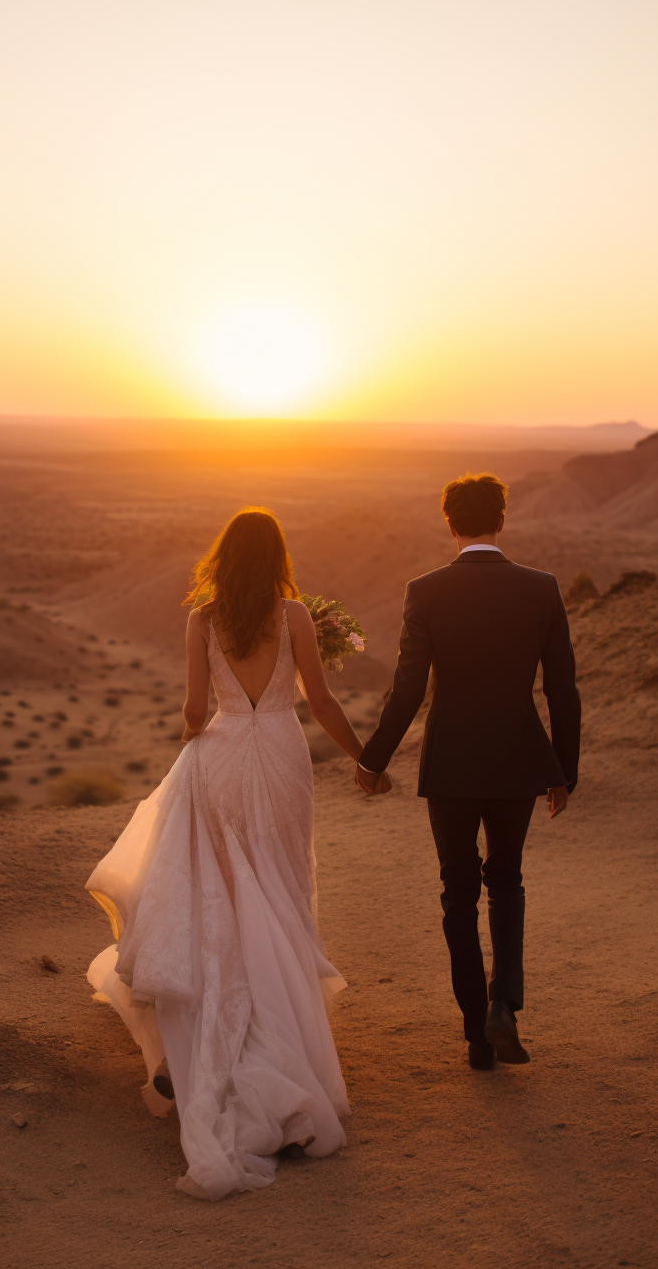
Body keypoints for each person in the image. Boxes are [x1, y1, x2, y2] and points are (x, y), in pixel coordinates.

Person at [85, 507, 370, 1199]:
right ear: (276, 557)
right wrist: (368, 758)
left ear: (223, 558)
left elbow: (190, 709)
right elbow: (322, 703)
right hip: (280, 755)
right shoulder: (296, 615)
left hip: (220, 755)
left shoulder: (201, 620)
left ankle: (223, 1049)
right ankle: (285, 1043)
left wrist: (198, 744)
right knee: (281, 888)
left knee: (227, 893)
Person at [355, 473, 580, 1069]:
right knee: (506, 879)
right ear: (500, 521)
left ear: (450, 524)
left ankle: (477, 1037)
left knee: (458, 893)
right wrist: (563, 771)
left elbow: (407, 690)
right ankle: (503, 1005)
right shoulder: (541, 588)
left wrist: (372, 760)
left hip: (451, 763)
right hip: (517, 762)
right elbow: (562, 690)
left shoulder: (426, 591)